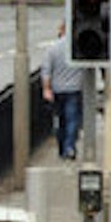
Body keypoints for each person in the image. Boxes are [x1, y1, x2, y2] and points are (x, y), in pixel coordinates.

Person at [41, 20, 84, 160]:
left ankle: (62, 148)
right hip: (74, 88)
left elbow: (46, 71)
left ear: (62, 30)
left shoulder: (52, 48)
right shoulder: (78, 46)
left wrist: (46, 89)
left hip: (57, 89)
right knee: (72, 120)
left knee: (61, 121)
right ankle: (69, 147)